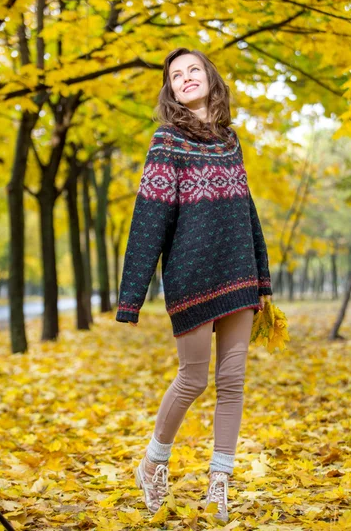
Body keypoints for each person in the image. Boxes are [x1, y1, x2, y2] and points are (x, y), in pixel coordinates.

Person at [116, 48, 273, 522]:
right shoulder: (166, 141)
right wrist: (131, 297)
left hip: (239, 273)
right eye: (176, 75)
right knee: (193, 379)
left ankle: (218, 485)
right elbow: (149, 219)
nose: (186, 78)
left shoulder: (230, 140)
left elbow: (247, 211)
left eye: (193, 70)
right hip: (190, 277)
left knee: (233, 382)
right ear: (170, 89)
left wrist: (263, 278)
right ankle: (153, 462)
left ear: (209, 77)